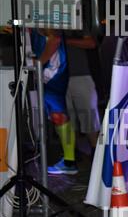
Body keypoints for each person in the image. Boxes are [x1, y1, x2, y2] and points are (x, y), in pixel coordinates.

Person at [30, 28, 77, 175]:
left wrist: (39, 63)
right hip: (45, 73)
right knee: (55, 117)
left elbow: (55, 39)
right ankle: (68, 160)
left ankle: (69, 162)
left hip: (52, 73)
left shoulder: (43, 20)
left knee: (59, 116)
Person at [64, 31, 101, 158]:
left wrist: (65, 41)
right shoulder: (48, 25)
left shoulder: (77, 24)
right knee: (66, 119)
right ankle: (71, 154)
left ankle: (96, 153)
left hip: (81, 75)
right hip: (58, 77)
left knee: (90, 117)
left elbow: (91, 43)